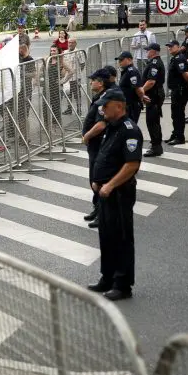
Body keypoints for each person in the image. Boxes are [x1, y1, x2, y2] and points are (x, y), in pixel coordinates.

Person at [87, 89, 142, 301]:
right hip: (105, 192)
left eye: (105, 105)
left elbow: (131, 164)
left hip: (120, 192)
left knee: (121, 238)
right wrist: (97, 180)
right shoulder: (111, 127)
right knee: (106, 236)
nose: (102, 109)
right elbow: (105, 156)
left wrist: (109, 184)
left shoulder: (130, 130)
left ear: (119, 106)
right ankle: (107, 277)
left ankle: (122, 284)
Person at [81, 69, 112, 228]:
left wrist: (87, 136)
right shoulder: (99, 97)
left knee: (98, 179)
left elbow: (101, 124)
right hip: (94, 145)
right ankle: (97, 208)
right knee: (93, 179)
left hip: (98, 144)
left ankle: (103, 214)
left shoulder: (104, 99)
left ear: (100, 83)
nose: (91, 82)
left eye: (93, 80)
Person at [165, 40, 188, 146]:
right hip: (176, 90)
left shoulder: (179, 58)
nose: (169, 48)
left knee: (178, 114)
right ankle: (175, 134)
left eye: (171, 46)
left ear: (178, 47)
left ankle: (180, 137)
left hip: (180, 90)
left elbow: (185, 73)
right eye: (168, 46)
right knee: (175, 114)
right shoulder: (175, 58)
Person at [141, 44, 166, 157]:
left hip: (154, 96)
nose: (147, 52)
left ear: (154, 51)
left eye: (148, 50)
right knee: (154, 121)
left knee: (152, 122)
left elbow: (151, 82)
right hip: (155, 95)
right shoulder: (154, 62)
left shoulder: (154, 64)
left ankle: (156, 147)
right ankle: (156, 145)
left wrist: (141, 91)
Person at [116, 51, 143, 123]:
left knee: (130, 127)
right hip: (128, 105)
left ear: (129, 60)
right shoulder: (126, 71)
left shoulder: (132, 71)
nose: (119, 62)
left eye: (121, 60)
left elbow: (138, 89)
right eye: (119, 60)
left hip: (131, 106)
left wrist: (141, 97)